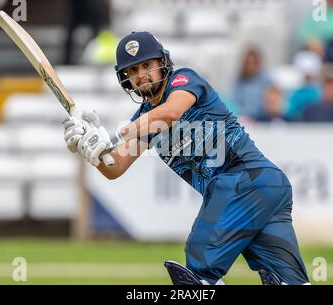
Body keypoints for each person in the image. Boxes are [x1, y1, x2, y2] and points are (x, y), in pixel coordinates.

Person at [62, 32, 310, 285]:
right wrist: (92, 149)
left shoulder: (184, 80)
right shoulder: (144, 119)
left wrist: (118, 131)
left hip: (243, 178)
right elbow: (116, 167)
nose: (141, 74)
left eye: (147, 65)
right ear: (126, 78)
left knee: (197, 273)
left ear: (162, 63)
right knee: (289, 282)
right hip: (263, 188)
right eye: (133, 70)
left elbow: (171, 112)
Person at [230, 47, 271, 122]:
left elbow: (269, 99)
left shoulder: (266, 79)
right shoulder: (238, 80)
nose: (251, 66)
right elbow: (235, 100)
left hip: (262, 117)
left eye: (253, 63)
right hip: (243, 118)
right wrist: (245, 114)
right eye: (248, 63)